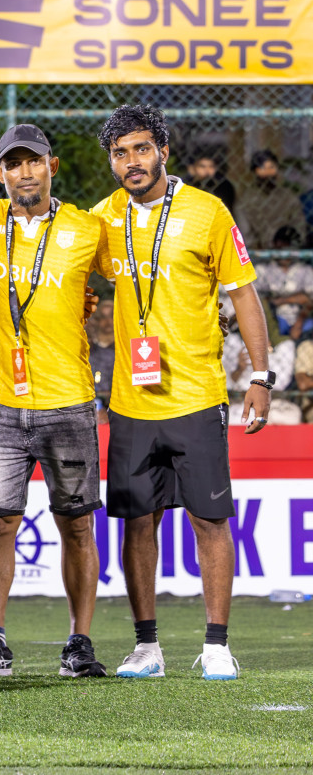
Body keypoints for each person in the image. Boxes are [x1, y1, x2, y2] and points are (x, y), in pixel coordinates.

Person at [91, 103, 270, 680]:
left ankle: (217, 644)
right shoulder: (100, 219)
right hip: (130, 401)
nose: (132, 162)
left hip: (197, 393)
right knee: (136, 522)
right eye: (120, 153)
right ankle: (147, 647)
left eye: (142, 149)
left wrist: (261, 377)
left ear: (163, 151)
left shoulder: (207, 211)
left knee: (210, 520)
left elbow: (243, 294)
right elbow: (70, 276)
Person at [0, 124, 108, 679]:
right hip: (0, 403)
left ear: (52, 166)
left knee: (76, 524)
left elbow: (130, 275)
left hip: (69, 400)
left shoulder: (87, 227)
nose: (24, 172)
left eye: (34, 162)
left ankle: (80, 641)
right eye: (13, 164)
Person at [237, 149, 307, 250]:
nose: (268, 172)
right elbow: (245, 233)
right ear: (255, 171)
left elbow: (299, 226)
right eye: (263, 168)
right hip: (258, 253)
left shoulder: (288, 197)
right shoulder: (246, 200)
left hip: (288, 250)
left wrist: (289, 243)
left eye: (272, 167)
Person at [259, 225, 313, 339]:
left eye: (288, 248)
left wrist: (282, 300)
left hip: (300, 318)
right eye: (281, 248)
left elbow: (309, 301)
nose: (284, 253)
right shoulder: (265, 269)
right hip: (274, 319)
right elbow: (262, 300)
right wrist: (299, 297)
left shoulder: (304, 270)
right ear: (274, 245)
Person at [185, 153, 236, 219]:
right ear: (194, 168)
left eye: (211, 167)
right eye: (202, 166)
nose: (207, 170)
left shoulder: (224, 186)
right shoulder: (187, 185)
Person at [89, 298, 116, 418]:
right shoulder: (88, 349)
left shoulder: (124, 350)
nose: (108, 321)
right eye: (103, 317)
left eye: (111, 316)